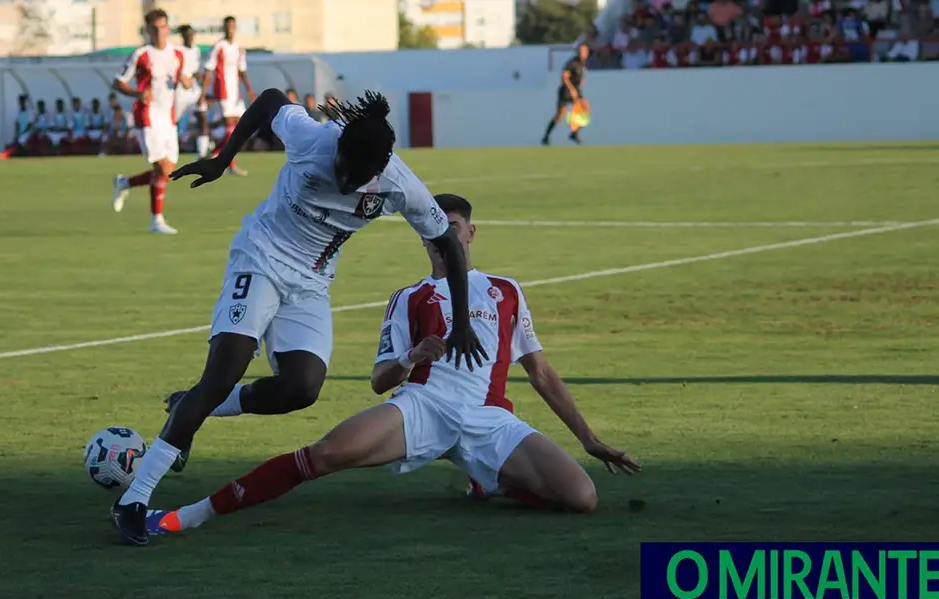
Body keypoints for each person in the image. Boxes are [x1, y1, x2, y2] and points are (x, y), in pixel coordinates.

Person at [108, 88, 487, 546]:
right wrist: (221, 159)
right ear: (339, 148)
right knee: (224, 370)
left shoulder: (400, 184)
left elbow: (446, 240)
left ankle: (190, 404)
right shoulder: (313, 139)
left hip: (310, 282)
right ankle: (134, 499)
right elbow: (269, 100)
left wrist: (462, 322)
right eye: (344, 169)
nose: (347, 182)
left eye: (359, 177)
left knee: (301, 388)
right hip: (261, 258)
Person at [143, 193, 641, 538]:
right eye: (435, 236)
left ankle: (489, 480)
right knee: (326, 454)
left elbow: (541, 373)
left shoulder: (505, 291)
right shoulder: (410, 298)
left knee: (583, 498)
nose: (445, 243)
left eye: (455, 232)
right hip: (422, 407)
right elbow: (381, 381)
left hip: (489, 417)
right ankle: (189, 515)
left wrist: (589, 440)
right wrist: (412, 356)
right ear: (425, 242)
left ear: (471, 232)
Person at [109, 8, 194, 235]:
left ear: (168, 28)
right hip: (147, 116)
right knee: (160, 168)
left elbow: (185, 79)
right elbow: (118, 83)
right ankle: (156, 221)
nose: (159, 32)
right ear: (148, 30)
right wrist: (138, 94)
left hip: (169, 118)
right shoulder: (141, 55)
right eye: (154, 29)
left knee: (167, 172)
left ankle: (125, 183)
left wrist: (187, 81)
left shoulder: (178, 54)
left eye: (163, 27)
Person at [203, 15, 256, 176]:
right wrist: (204, 93)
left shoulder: (239, 49)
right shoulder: (218, 47)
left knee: (239, 130)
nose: (230, 29)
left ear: (235, 28)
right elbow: (209, 70)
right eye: (227, 26)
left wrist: (249, 90)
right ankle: (225, 161)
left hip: (235, 92)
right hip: (223, 91)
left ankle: (219, 157)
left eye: (232, 26)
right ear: (224, 28)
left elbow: (242, 71)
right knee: (229, 129)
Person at [174, 23, 211, 159]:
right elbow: (173, 68)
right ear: (182, 36)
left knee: (202, 117)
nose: (190, 37)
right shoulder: (177, 50)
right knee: (172, 122)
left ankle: (202, 154)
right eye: (187, 35)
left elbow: (194, 69)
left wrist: (199, 76)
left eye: (191, 34)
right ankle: (168, 149)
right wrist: (181, 78)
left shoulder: (196, 50)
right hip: (181, 91)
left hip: (194, 90)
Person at [542, 42, 589, 146]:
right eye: (580, 51)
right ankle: (546, 137)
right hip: (566, 90)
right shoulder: (572, 62)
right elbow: (564, 76)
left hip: (576, 88)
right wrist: (571, 89)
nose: (582, 53)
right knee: (560, 115)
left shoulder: (583, 63)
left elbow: (581, 74)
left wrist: (581, 81)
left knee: (585, 109)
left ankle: (574, 133)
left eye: (584, 51)